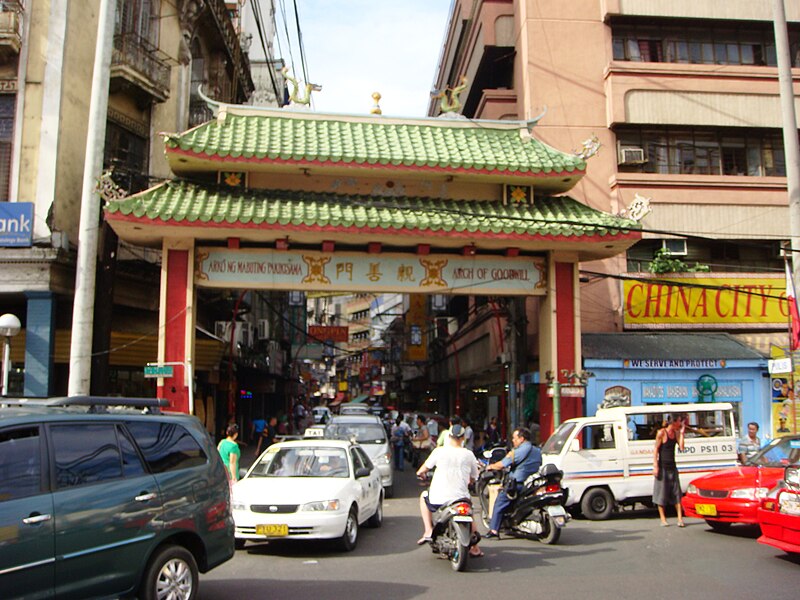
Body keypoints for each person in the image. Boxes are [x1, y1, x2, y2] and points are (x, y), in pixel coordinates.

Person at [415, 424, 484, 558]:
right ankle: (475, 547)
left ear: (449, 436)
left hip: (439, 499)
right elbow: (475, 476)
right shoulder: (469, 454)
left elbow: (422, 470)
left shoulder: (439, 451)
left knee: (424, 496)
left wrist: (421, 474)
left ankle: (428, 531)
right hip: (460, 499)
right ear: (463, 438)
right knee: (470, 514)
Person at [484, 427, 542, 539]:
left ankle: (494, 530)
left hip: (517, 484)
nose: (513, 441)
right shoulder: (537, 451)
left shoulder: (520, 450)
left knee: (499, 502)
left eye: (515, 438)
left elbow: (503, 464)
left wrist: (490, 467)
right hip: (532, 485)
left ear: (522, 439)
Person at [653, 415, 686, 527]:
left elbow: (681, 448)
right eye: (679, 421)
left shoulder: (676, 433)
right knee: (661, 493)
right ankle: (663, 519)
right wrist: (655, 466)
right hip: (663, 467)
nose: (680, 424)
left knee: (677, 493)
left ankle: (680, 519)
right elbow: (656, 449)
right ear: (673, 422)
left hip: (672, 467)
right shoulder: (661, 433)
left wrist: (682, 433)